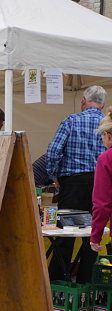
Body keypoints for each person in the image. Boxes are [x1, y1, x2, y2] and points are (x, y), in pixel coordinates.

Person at [46, 85, 107, 283]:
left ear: (83, 100)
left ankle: (57, 284)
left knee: (65, 235)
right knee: (93, 236)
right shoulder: (107, 125)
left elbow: (53, 151)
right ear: (103, 104)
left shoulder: (71, 121)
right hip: (101, 183)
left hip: (73, 184)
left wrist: (54, 177)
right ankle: (86, 283)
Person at [91, 109, 112, 253]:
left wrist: (95, 236)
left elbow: (102, 204)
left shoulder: (106, 158)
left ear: (108, 136)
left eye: (102, 136)